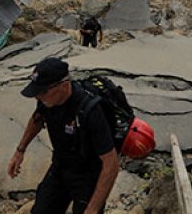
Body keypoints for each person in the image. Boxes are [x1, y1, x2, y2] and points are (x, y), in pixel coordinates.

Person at [7, 58, 119, 214]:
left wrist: (93, 209)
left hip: (87, 175)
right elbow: (37, 119)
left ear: (64, 86)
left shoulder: (90, 110)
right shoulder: (46, 100)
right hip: (61, 166)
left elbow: (111, 164)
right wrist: (20, 151)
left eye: (42, 91)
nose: (37, 97)